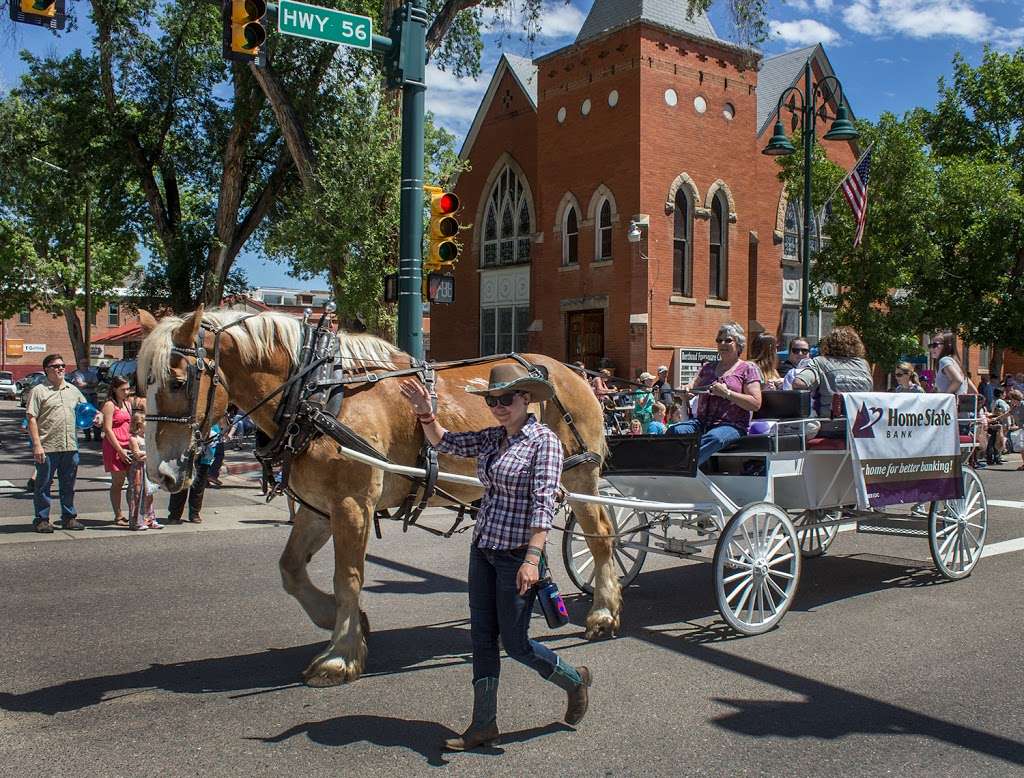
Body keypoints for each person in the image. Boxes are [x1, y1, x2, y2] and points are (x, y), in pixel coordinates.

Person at [399, 364, 592, 751]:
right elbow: (444, 442)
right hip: (483, 549)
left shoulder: (544, 442)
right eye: (493, 400)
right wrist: (425, 412)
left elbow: (543, 507)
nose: (499, 407)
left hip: (518, 555)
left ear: (526, 399)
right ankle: (483, 725)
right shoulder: (492, 438)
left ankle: (573, 680)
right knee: (482, 639)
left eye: (506, 399)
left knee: (516, 644)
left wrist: (532, 559)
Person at [669, 323, 762, 465]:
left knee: (714, 438)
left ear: (739, 344)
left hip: (732, 425)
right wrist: (685, 391)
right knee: (675, 431)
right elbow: (692, 387)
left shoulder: (747, 368)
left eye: (728, 340)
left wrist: (727, 393)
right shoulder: (708, 367)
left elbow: (755, 403)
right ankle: (663, 465)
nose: (722, 343)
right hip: (701, 423)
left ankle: (682, 467)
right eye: (719, 340)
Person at [26, 354, 88, 533]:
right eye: (56, 366)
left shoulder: (73, 390)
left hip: (70, 447)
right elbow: (31, 419)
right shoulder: (39, 391)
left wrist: (97, 417)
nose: (61, 368)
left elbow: (86, 411)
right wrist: (37, 445)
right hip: (48, 447)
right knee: (43, 485)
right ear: (47, 369)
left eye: (62, 365)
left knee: (68, 485)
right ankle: (42, 519)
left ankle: (69, 518)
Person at [792, 327, 873, 421]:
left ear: (828, 344)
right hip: (860, 427)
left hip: (830, 424)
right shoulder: (863, 364)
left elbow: (798, 383)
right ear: (857, 345)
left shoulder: (821, 362)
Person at [167, 422, 219, 524]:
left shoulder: (213, 424)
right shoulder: (188, 419)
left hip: (203, 458)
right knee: (181, 486)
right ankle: (174, 515)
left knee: (198, 488)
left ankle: (194, 513)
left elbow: (215, 438)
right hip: (185, 458)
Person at [101, 376, 135, 526]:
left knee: (134, 482)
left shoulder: (128, 404)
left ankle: (134, 513)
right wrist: (120, 450)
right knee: (118, 482)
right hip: (115, 447)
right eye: (123, 389)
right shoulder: (109, 405)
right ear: (115, 389)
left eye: (128, 388)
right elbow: (107, 429)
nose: (126, 392)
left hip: (129, 446)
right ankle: (118, 514)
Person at [125, 411, 162, 530]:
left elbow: (155, 451)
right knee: (137, 494)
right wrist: (150, 454)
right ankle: (136, 521)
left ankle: (150, 519)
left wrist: (147, 454)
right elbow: (137, 455)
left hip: (148, 468)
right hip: (138, 469)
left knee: (149, 494)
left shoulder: (147, 437)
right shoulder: (133, 439)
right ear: (139, 424)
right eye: (146, 422)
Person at [68, 358, 100, 442]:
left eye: (86, 363)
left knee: (95, 414)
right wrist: (90, 384)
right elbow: (79, 384)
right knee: (85, 415)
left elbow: (96, 384)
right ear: (79, 364)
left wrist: (85, 384)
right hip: (83, 397)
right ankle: (87, 435)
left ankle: (97, 436)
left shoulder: (92, 373)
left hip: (93, 396)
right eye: (83, 363)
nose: (85, 365)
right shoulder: (77, 373)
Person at [987, 388, 1009, 465]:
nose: (1005, 394)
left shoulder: (993, 401)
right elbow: (1005, 413)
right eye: (1004, 393)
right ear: (1000, 394)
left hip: (993, 421)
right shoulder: (1001, 402)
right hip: (1000, 422)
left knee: (992, 441)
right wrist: (1007, 424)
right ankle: (997, 457)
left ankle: (991, 458)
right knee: (999, 440)